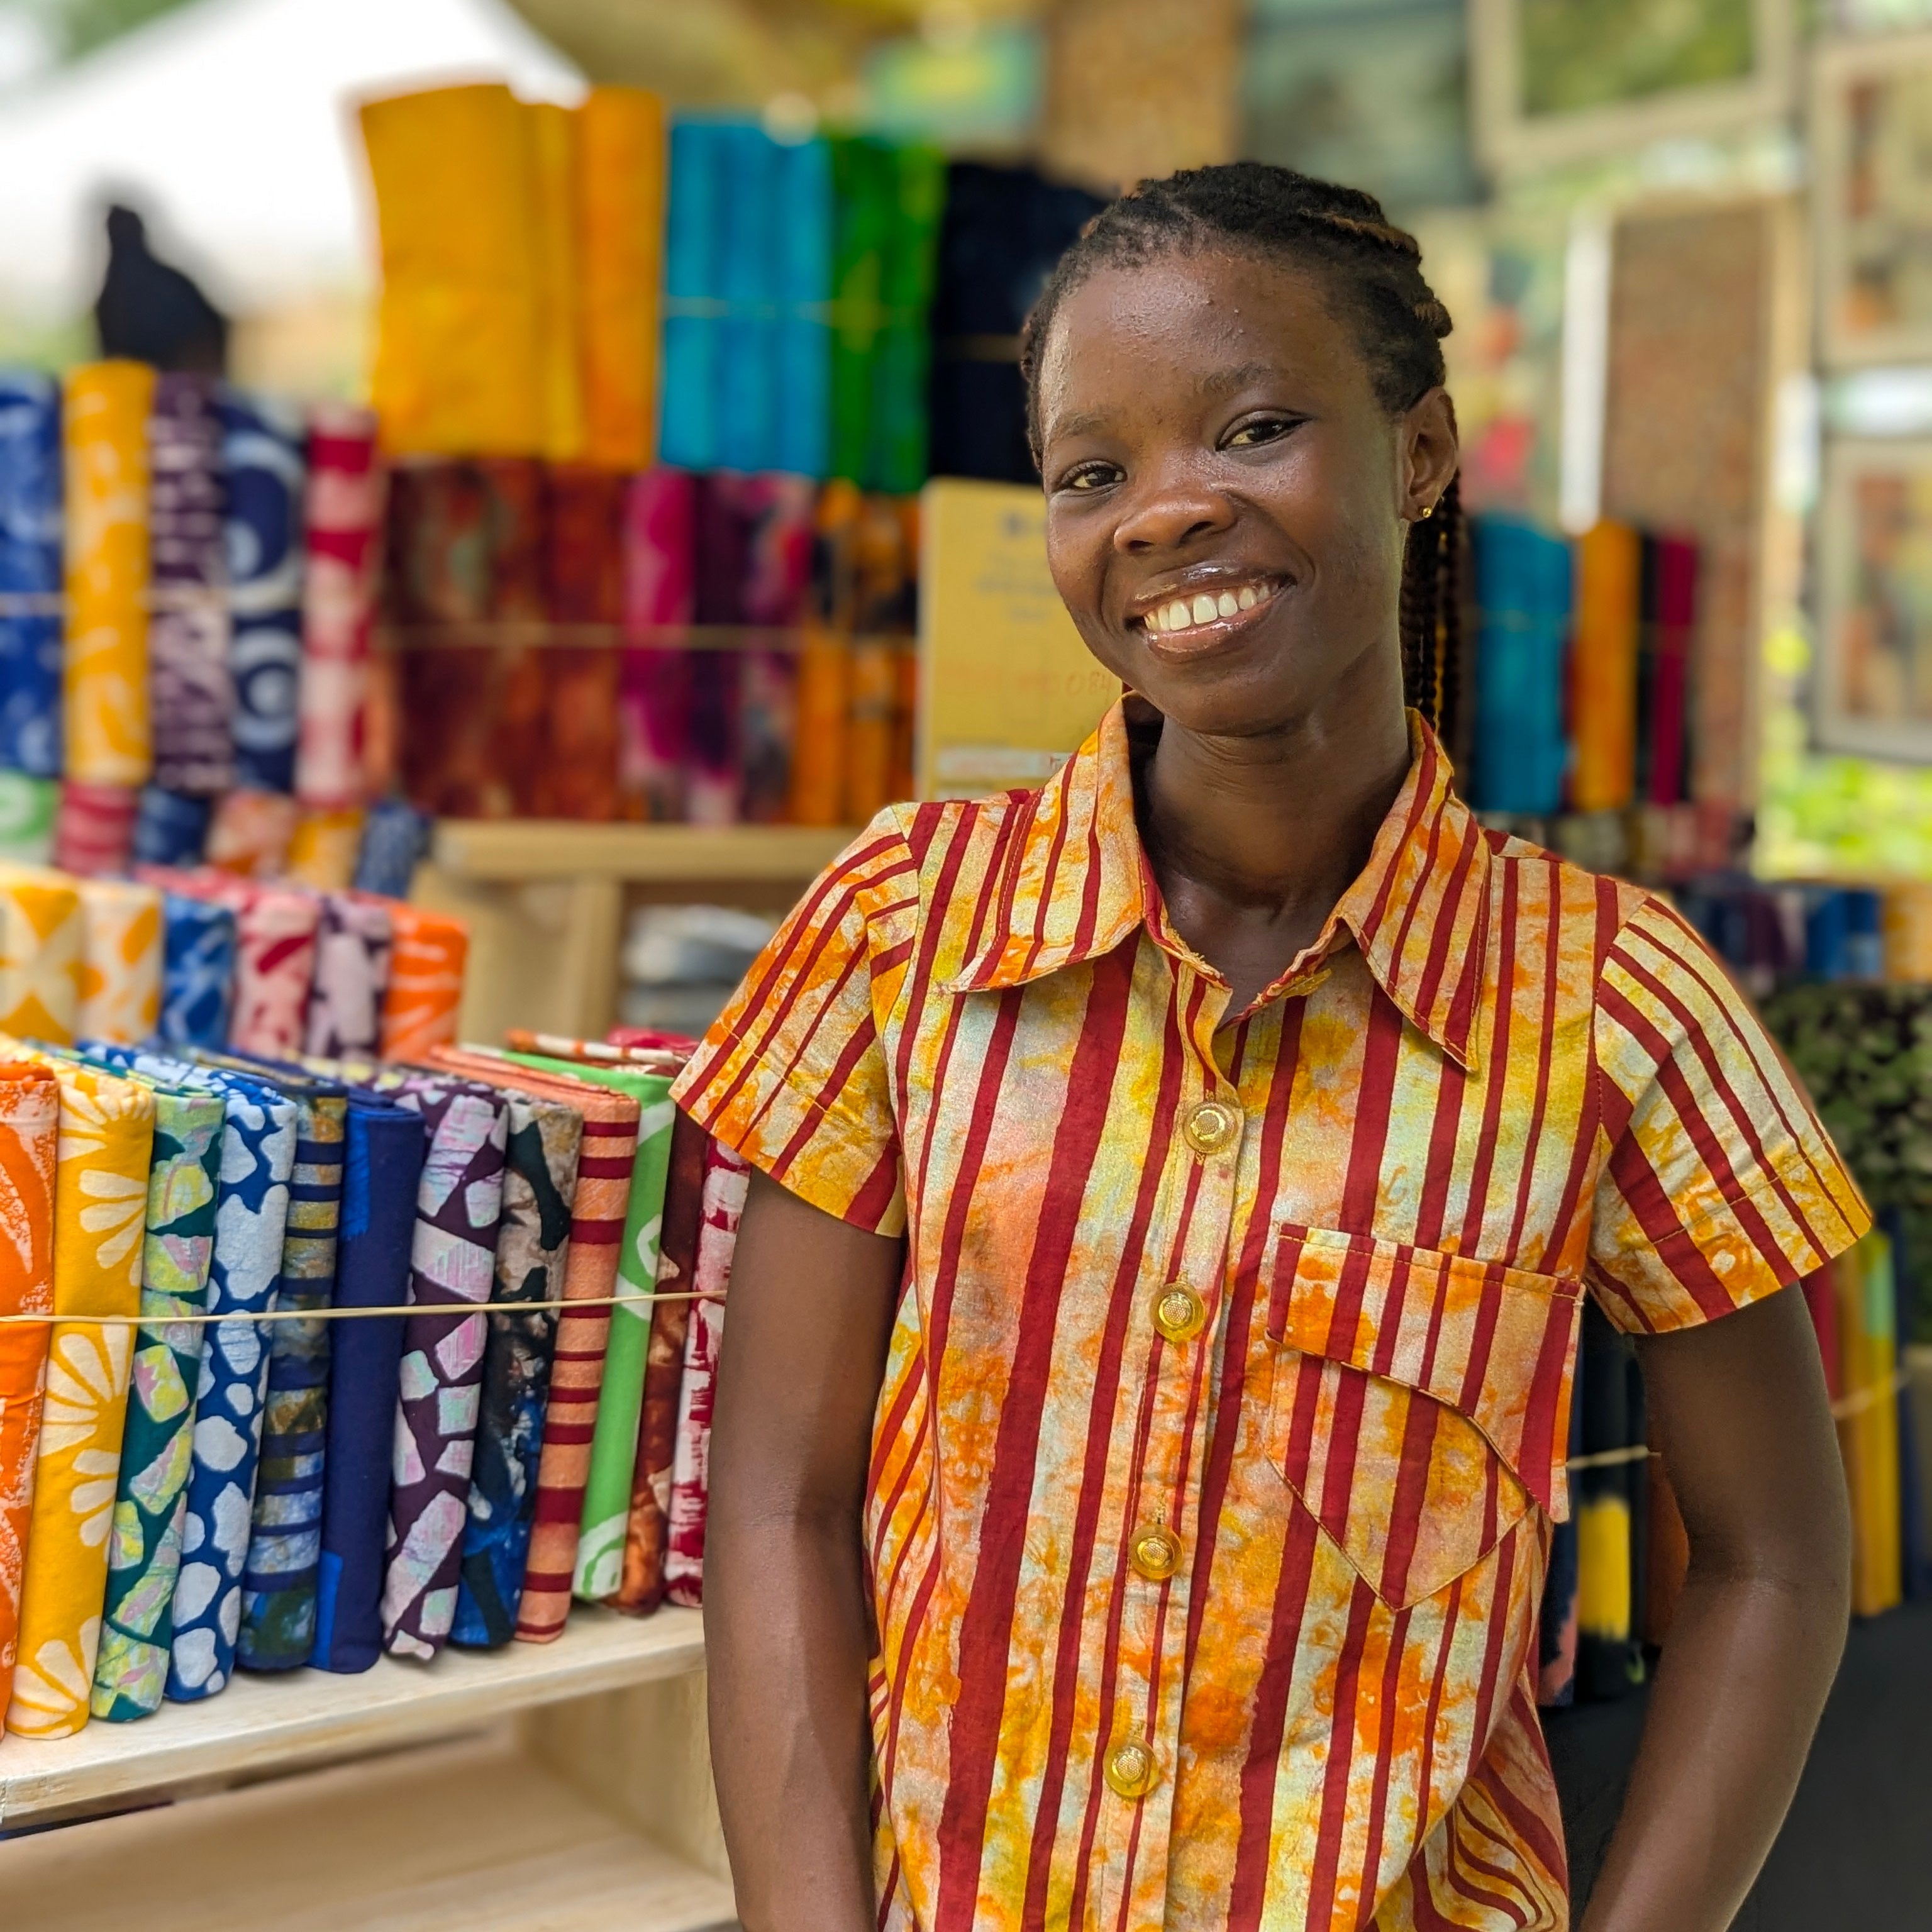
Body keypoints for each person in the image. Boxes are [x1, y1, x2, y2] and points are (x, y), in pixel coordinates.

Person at [674, 163, 1863, 1932]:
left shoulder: (1617, 1006)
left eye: (1251, 427)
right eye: (1094, 472)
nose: (1163, 512)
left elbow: (1778, 1559)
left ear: (1423, 451)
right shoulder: (899, 931)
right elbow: (780, 1497)